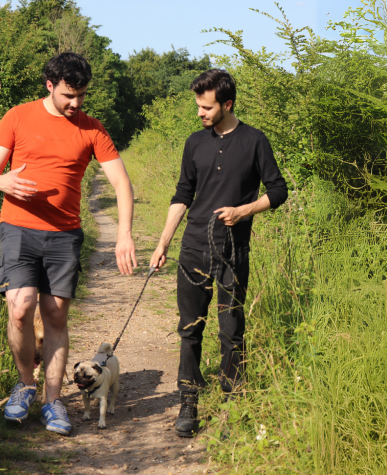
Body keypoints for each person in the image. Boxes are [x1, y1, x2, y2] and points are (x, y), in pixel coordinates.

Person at [0, 52, 137, 436]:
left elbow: (121, 184)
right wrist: (2, 182)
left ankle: (53, 401)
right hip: (18, 227)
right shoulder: (17, 116)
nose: (76, 103)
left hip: (65, 234)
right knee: (19, 309)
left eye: (82, 95)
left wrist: (123, 234)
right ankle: (26, 385)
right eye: (69, 95)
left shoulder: (92, 129)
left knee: (54, 316)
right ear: (49, 85)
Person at [149, 69, 287, 438]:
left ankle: (233, 403)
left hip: (233, 252)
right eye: (198, 106)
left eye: (206, 107)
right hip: (194, 246)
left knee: (231, 330)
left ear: (227, 104)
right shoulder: (195, 143)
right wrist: (163, 243)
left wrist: (244, 211)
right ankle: (188, 400)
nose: (200, 113)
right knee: (190, 329)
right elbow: (182, 195)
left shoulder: (255, 141)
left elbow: (278, 190)